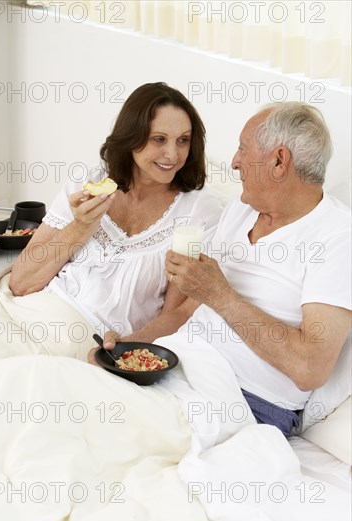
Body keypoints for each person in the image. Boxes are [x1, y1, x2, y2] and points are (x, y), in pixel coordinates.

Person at [91, 101, 352, 438]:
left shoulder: (337, 238)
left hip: (245, 401)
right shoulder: (241, 211)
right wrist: (126, 349)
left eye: (243, 148)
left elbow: (310, 367)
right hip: (177, 366)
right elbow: (186, 311)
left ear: (278, 160)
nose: (234, 162)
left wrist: (222, 297)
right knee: (59, 390)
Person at [9, 82, 223, 337]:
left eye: (183, 140)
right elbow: (21, 283)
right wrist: (80, 226)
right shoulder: (89, 182)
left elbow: (175, 316)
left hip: (94, 344)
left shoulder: (198, 211)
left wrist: (125, 349)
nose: (172, 154)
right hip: (31, 313)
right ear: (132, 137)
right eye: (159, 139)